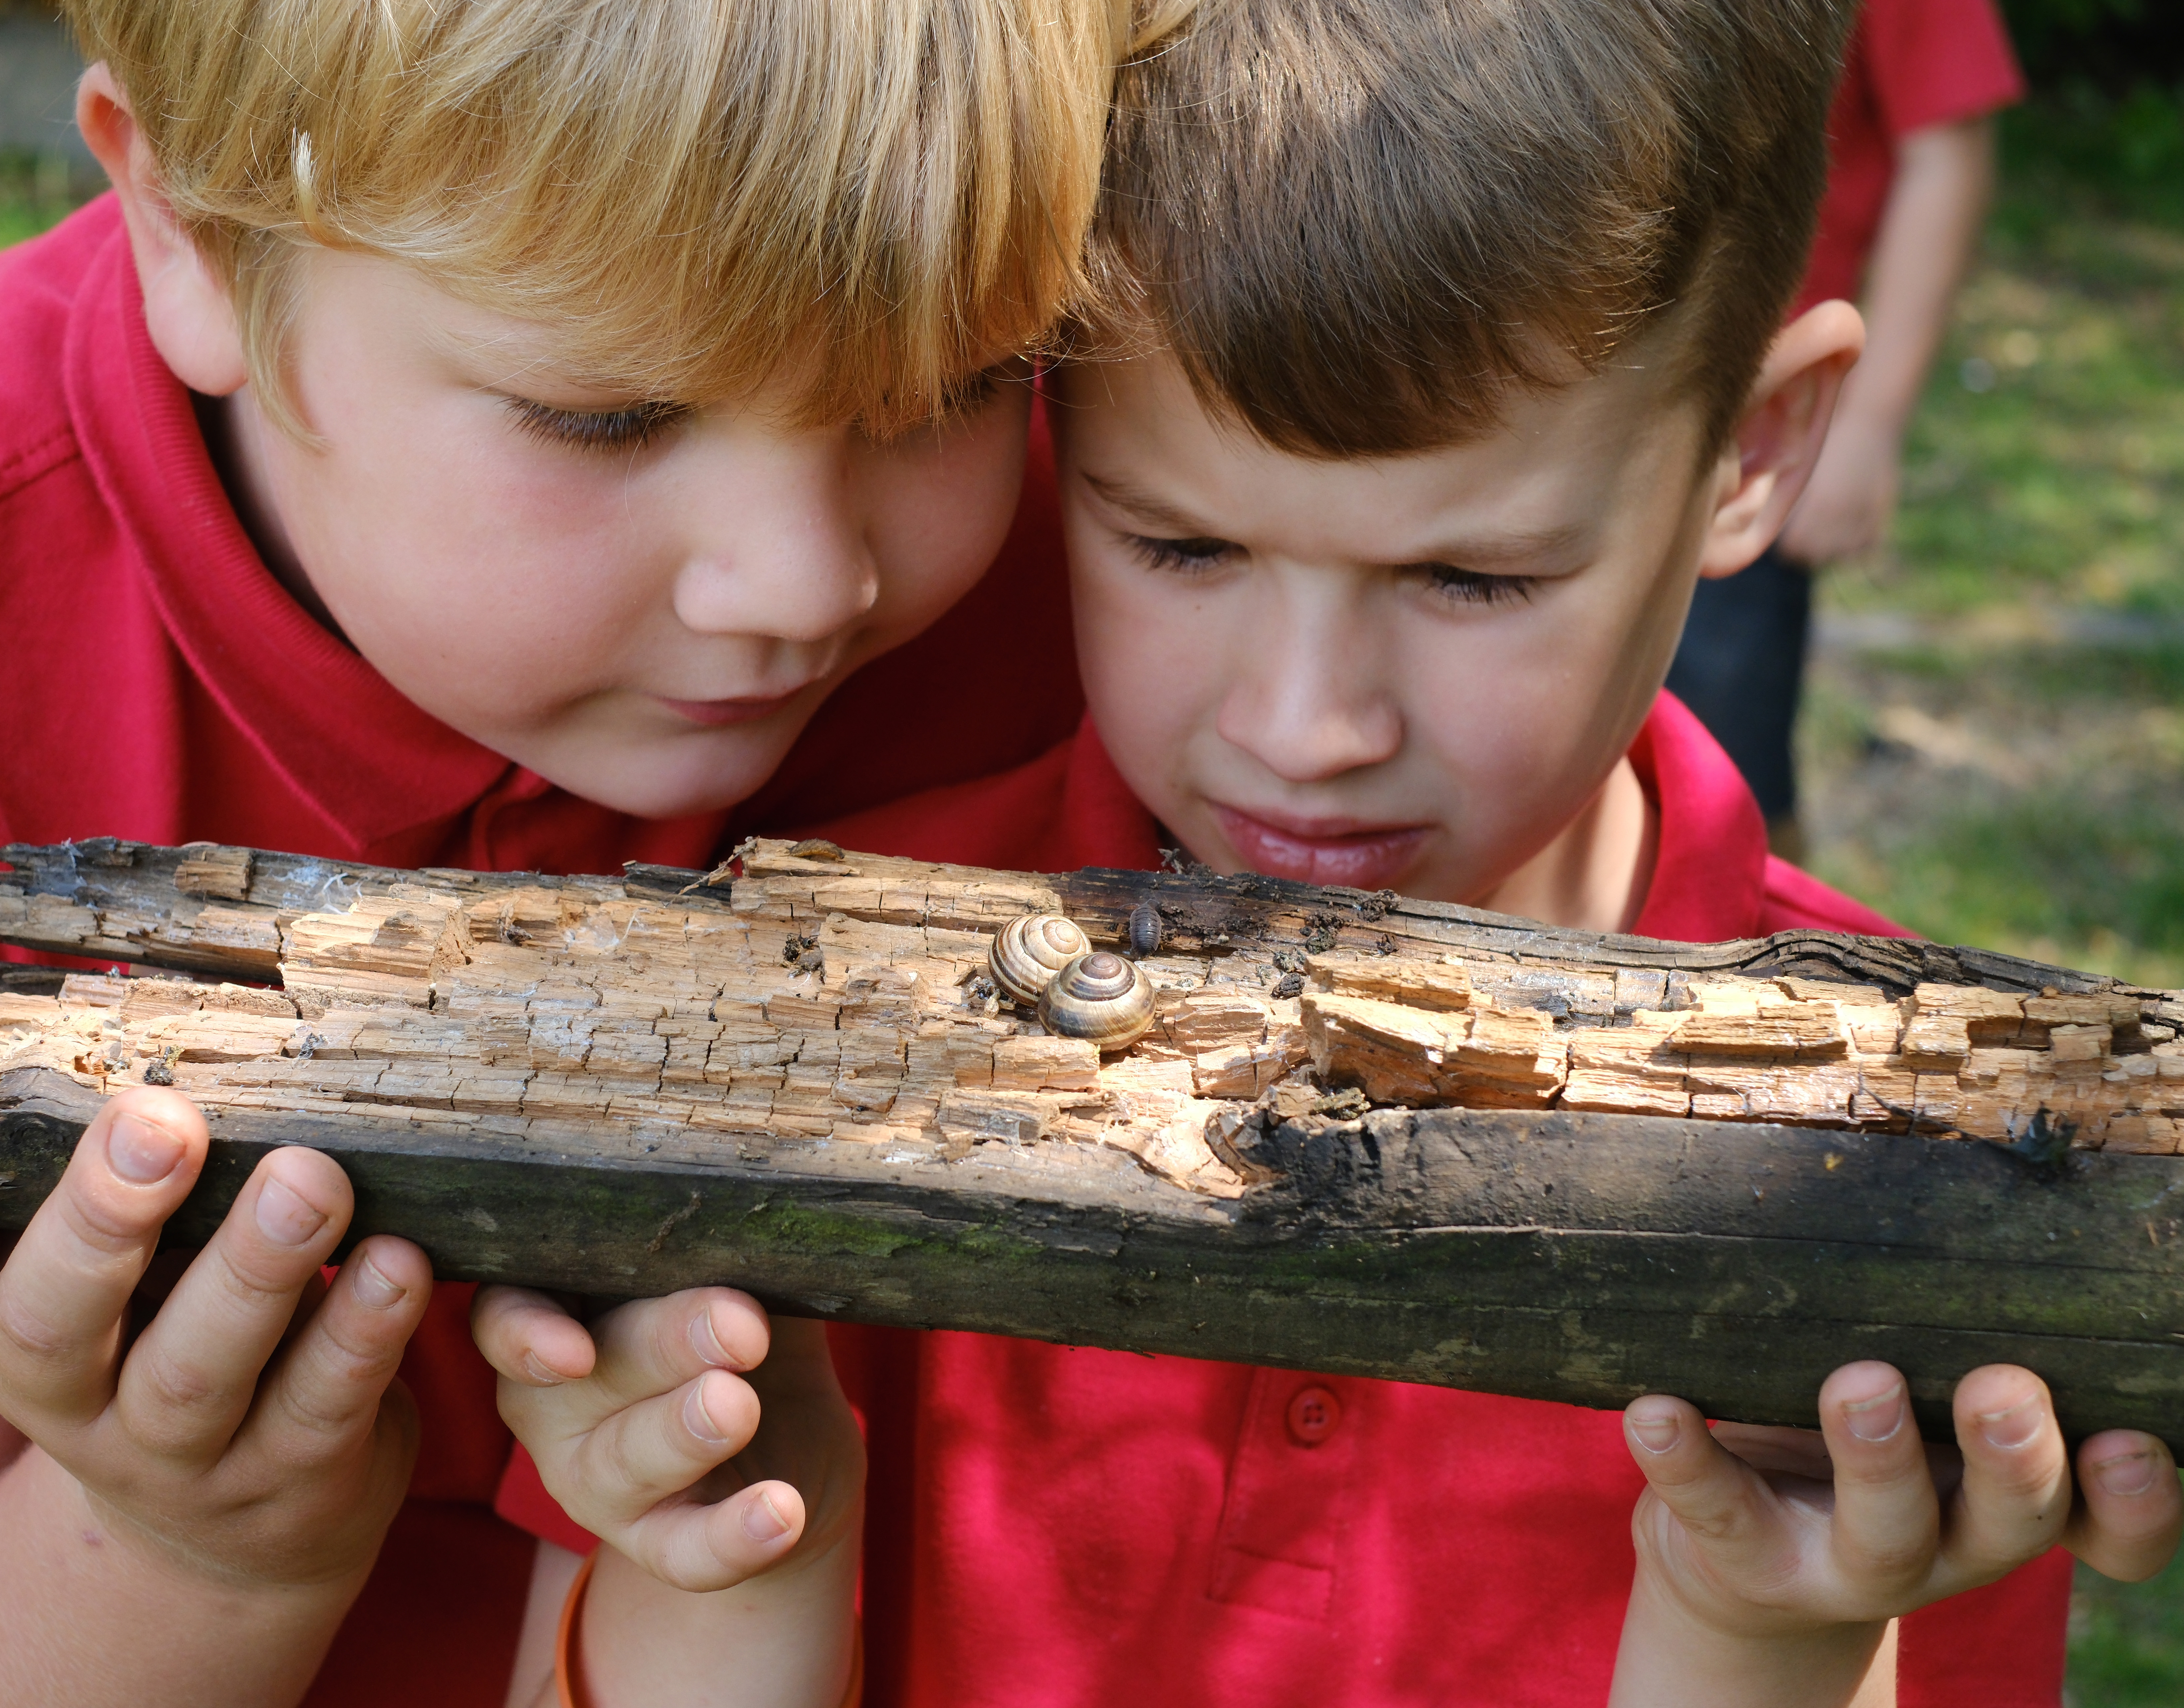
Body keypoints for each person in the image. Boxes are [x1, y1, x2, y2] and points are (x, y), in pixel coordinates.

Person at [478, 1, 2180, 1704]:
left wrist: (1770, 1628)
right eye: (1183, 541)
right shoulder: (787, 1006)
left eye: (1474, 579)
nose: (1307, 726)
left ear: (1754, 451)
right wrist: (747, 1555)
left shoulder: (1919, 1168)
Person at [0, 0, 1185, 1700]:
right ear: (195, 239)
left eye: (957, 383)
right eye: (611, 417)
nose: (805, 580)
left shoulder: (1146, 522)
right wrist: (188, 1548)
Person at [1664, 0, 2025, 856]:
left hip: (1747, 426)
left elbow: (1950, 149)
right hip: (1556, 399)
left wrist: (1868, 424)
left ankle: (1774, 961)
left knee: (1730, 781)